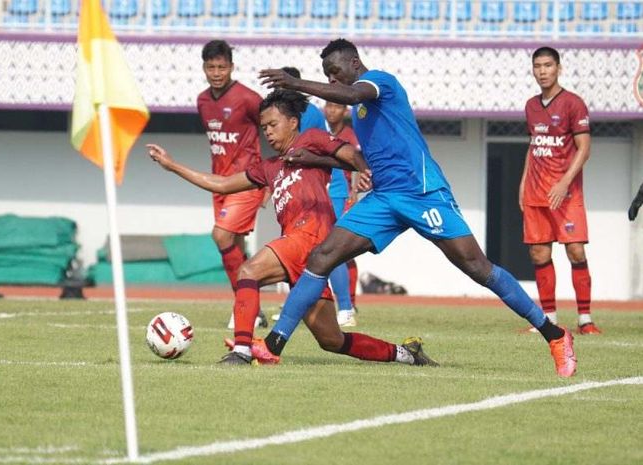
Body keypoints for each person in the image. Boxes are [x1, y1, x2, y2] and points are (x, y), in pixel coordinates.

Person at [257, 38, 577, 377]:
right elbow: (369, 158)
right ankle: (273, 345)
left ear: (354, 62)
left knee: (476, 267)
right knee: (322, 256)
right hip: (384, 198)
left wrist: (295, 83)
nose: (333, 81)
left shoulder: (379, 82)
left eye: (335, 72)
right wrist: (317, 158)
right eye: (327, 75)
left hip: (422, 192)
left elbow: (350, 95)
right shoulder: (361, 109)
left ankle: (555, 335)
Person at [147, 89, 437, 367]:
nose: (268, 132)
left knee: (248, 270)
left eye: (273, 124)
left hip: (309, 237)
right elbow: (222, 183)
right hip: (302, 252)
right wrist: (172, 166)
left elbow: (346, 152)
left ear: (293, 122)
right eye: (264, 127)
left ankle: (241, 351)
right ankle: (405, 354)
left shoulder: (310, 139)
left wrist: (364, 170)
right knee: (332, 340)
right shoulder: (269, 166)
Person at [520, 46, 600, 335]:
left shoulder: (573, 103)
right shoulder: (530, 106)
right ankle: (549, 318)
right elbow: (534, 147)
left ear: (558, 68)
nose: (542, 71)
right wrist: (522, 184)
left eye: (548, 65)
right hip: (536, 193)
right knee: (539, 255)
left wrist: (565, 182)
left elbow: (584, 148)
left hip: (566, 194)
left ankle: (585, 319)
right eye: (537, 66)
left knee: (576, 252)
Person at [196, 39, 267, 329]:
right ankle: (253, 310)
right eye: (211, 67)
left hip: (246, 181)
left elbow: (275, 126)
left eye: (221, 67)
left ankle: (243, 306)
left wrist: (270, 178)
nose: (216, 72)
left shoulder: (248, 98)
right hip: (219, 185)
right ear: (204, 68)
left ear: (231, 67)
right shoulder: (202, 101)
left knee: (221, 236)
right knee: (234, 244)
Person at [278, 66, 357, 327]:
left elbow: (305, 152)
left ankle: (345, 307)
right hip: (307, 187)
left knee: (328, 248)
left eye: (284, 87)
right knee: (305, 247)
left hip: (326, 186)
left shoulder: (306, 113)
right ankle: (299, 304)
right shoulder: (296, 112)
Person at [324, 100, 361, 324]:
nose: (331, 110)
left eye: (336, 107)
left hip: (341, 195)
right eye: (328, 106)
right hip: (326, 192)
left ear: (345, 111)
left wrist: (354, 194)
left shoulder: (350, 135)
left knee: (338, 251)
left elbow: (357, 163)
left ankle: (348, 305)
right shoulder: (321, 129)